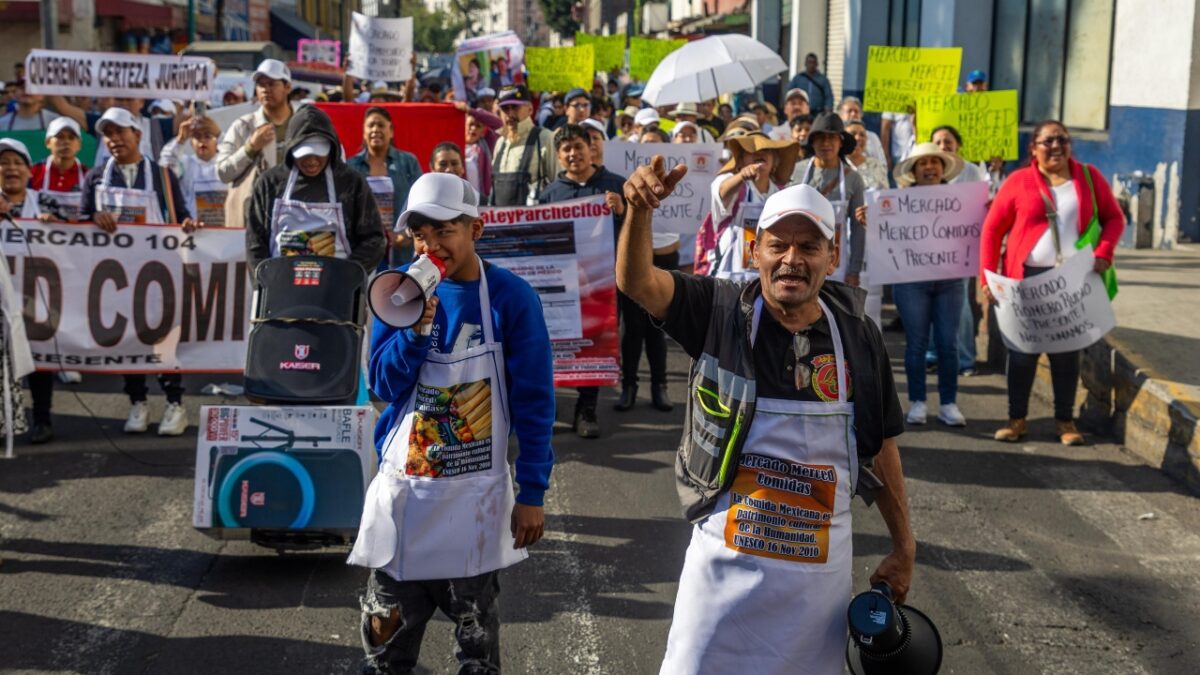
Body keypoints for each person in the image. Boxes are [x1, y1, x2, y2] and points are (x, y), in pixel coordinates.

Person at [617, 158, 913, 675]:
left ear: (832, 254)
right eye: (778, 244)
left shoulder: (859, 337)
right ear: (755, 251)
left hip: (816, 589)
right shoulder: (719, 311)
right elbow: (638, 282)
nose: (792, 259)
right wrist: (639, 211)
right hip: (722, 573)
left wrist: (903, 545)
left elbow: (882, 444)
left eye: (809, 246)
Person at [347, 172, 554, 675]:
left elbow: (535, 400)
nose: (431, 245)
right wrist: (415, 329)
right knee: (386, 648)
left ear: (476, 230)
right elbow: (383, 385)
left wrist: (532, 492)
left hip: (473, 506)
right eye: (420, 234)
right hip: (404, 501)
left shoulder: (511, 297)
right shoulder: (395, 290)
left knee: (476, 654)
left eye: (445, 231)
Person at [980, 120, 1124, 445]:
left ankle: (1065, 422)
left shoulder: (1088, 177)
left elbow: (1114, 217)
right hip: (1026, 280)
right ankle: (1016, 420)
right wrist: (987, 276)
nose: (1056, 146)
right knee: (1021, 355)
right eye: (1047, 141)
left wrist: (1104, 251)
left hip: (1072, 281)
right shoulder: (1018, 181)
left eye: (1062, 139)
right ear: (1034, 148)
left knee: (1065, 354)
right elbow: (992, 230)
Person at [78, 108, 200, 437]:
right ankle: (138, 402)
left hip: (158, 273)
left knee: (163, 339)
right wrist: (93, 220)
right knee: (128, 340)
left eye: (121, 132)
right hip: (116, 276)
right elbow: (78, 226)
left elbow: (182, 217)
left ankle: (175, 404)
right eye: (109, 134)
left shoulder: (162, 176)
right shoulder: (95, 177)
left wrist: (187, 225)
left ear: (138, 135)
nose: (115, 139)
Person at [537, 125, 627, 437]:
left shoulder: (616, 186)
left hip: (602, 286)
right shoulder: (549, 194)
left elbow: (636, 231)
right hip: (562, 285)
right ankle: (551, 404)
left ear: (591, 148)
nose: (573, 154)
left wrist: (622, 211)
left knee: (596, 345)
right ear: (559, 156)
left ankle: (586, 409)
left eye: (578, 146)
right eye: (566, 149)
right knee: (557, 344)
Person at [883, 142, 967, 426]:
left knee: (948, 343)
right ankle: (918, 402)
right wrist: (870, 221)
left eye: (934, 162)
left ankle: (948, 403)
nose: (929, 167)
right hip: (912, 282)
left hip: (950, 281)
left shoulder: (961, 200)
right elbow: (885, 235)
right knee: (916, 344)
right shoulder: (899, 202)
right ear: (914, 171)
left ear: (943, 169)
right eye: (923, 163)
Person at [246, 105, 386, 275]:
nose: (312, 161)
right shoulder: (269, 183)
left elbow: (374, 239)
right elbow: (255, 243)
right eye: (304, 155)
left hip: (338, 286)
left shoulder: (351, 183)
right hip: (280, 287)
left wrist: (348, 275)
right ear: (291, 150)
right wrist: (266, 280)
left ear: (331, 149)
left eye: (319, 154)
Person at [701, 132, 798, 280]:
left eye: (766, 151)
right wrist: (741, 176)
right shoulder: (731, 182)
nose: (759, 154)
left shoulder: (781, 193)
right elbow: (722, 191)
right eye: (751, 151)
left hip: (767, 277)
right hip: (729, 275)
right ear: (740, 161)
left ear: (775, 161)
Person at [791, 114, 869, 293]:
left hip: (837, 265)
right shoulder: (796, 172)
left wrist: (854, 269)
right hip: (799, 258)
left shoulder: (853, 179)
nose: (826, 143)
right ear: (812, 142)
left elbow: (858, 227)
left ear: (841, 142)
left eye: (832, 138)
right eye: (820, 138)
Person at [215, 59, 296, 228]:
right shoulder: (242, 126)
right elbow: (223, 172)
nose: (266, 89)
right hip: (253, 222)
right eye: (260, 84)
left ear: (287, 87)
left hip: (294, 220)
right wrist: (250, 148)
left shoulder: (303, 126)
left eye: (272, 84)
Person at [346, 106, 423, 263]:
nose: (375, 129)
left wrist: (407, 234)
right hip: (362, 250)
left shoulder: (408, 163)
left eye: (381, 125)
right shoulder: (350, 166)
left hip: (400, 251)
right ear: (364, 132)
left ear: (391, 131)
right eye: (371, 125)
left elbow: (421, 203)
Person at [491, 85, 557, 206]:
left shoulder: (545, 138)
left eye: (515, 107)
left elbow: (558, 184)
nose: (510, 114)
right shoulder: (500, 143)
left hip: (534, 221)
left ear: (530, 109)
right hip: (502, 222)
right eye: (505, 108)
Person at [159, 114, 226, 227]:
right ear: (191, 142)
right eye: (197, 137)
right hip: (193, 230)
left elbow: (239, 156)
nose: (202, 141)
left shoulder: (226, 163)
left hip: (226, 230)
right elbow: (164, 168)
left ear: (216, 142)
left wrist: (219, 134)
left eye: (208, 136)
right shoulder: (185, 163)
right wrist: (180, 140)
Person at [30, 116, 88, 222]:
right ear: (48, 142)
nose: (66, 142)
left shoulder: (88, 175)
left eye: (71, 138)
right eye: (60, 137)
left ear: (79, 145)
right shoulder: (33, 172)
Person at [838, 96, 888, 166]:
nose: (853, 114)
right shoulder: (836, 136)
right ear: (840, 115)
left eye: (856, 111)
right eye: (850, 111)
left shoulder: (872, 136)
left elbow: (882, 162)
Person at [845, 120, 889, 190]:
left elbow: (885, 195)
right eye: (852, 134)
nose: (858, 138)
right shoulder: (836, 165)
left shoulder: (876, 165)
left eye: (862, 135)